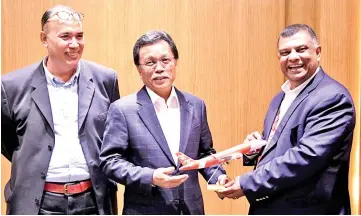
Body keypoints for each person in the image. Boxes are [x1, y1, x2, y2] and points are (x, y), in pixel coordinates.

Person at [219, 24, 355, 214]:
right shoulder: (279, 98)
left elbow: (305, 157)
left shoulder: (332, 97)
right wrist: (256, 149)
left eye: (301, 49)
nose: (293, 57)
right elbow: (279, 148)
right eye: (285, 52)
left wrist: (246, 183)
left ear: (318, 52)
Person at [1, 5, 120, 215]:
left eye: (79, 36)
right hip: (38, 203)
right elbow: (9, 142)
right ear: (44, 38)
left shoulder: (106, 80)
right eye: (65, 36)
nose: (74, 44)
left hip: (92, 200)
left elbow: (113, 137)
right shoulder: (12, 86)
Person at [99, 30, 229, 215]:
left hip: (191, 209)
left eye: (165, 60)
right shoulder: (123, 109)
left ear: (175, 61)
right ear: (139, 69)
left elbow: (204, 153)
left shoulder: (196, 105)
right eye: (150, 62)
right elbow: (110, 162)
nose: (159, 68)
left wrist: (219, 178)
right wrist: (150, 176)